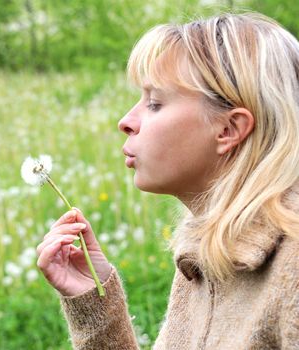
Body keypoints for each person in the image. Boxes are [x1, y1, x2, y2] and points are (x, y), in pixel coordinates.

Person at [36, 12, 299, 349]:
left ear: (228, 130)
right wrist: (94, 302)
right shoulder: (207, 252)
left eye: (155, 103)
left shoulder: (291, 265)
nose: (126, 121)